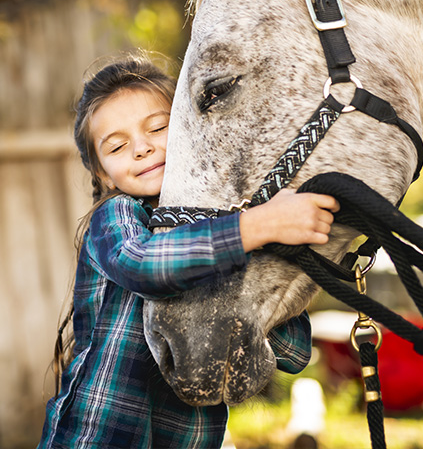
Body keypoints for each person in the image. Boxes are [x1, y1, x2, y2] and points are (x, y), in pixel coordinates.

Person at [38, 54, 340, 449]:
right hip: (97, 433)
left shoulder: (218, 228)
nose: (142, 149)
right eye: (117, 146)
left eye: (158, 128)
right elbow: (142, 264)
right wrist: (258, 226)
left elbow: (293, 351)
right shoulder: (115, 217)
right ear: (102, 175)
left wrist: (278, 246)